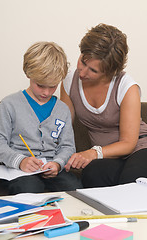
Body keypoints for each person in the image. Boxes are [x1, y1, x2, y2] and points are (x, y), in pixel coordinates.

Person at [60, 23, 147, 188]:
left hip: (140, 148)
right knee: (92, 174)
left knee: (132, 182)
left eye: (93, 70)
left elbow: (128, 143)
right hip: (108, 158)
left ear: (110, 72)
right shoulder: (69, 81)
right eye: (83, 61)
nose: (83, 72)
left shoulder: (126, 87)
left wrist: (93, 152)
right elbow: (62, 127)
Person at [0, 41, 82, 194]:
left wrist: (58, 164)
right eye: (40, 85)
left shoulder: (62, 109)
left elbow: (67, 146)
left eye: (52, 86)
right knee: (29, 188)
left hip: (50, 168)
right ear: (28, 74)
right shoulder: (9, 104)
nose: (46, 92)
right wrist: (20, 161)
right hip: (18, 170)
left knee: (75, 187)